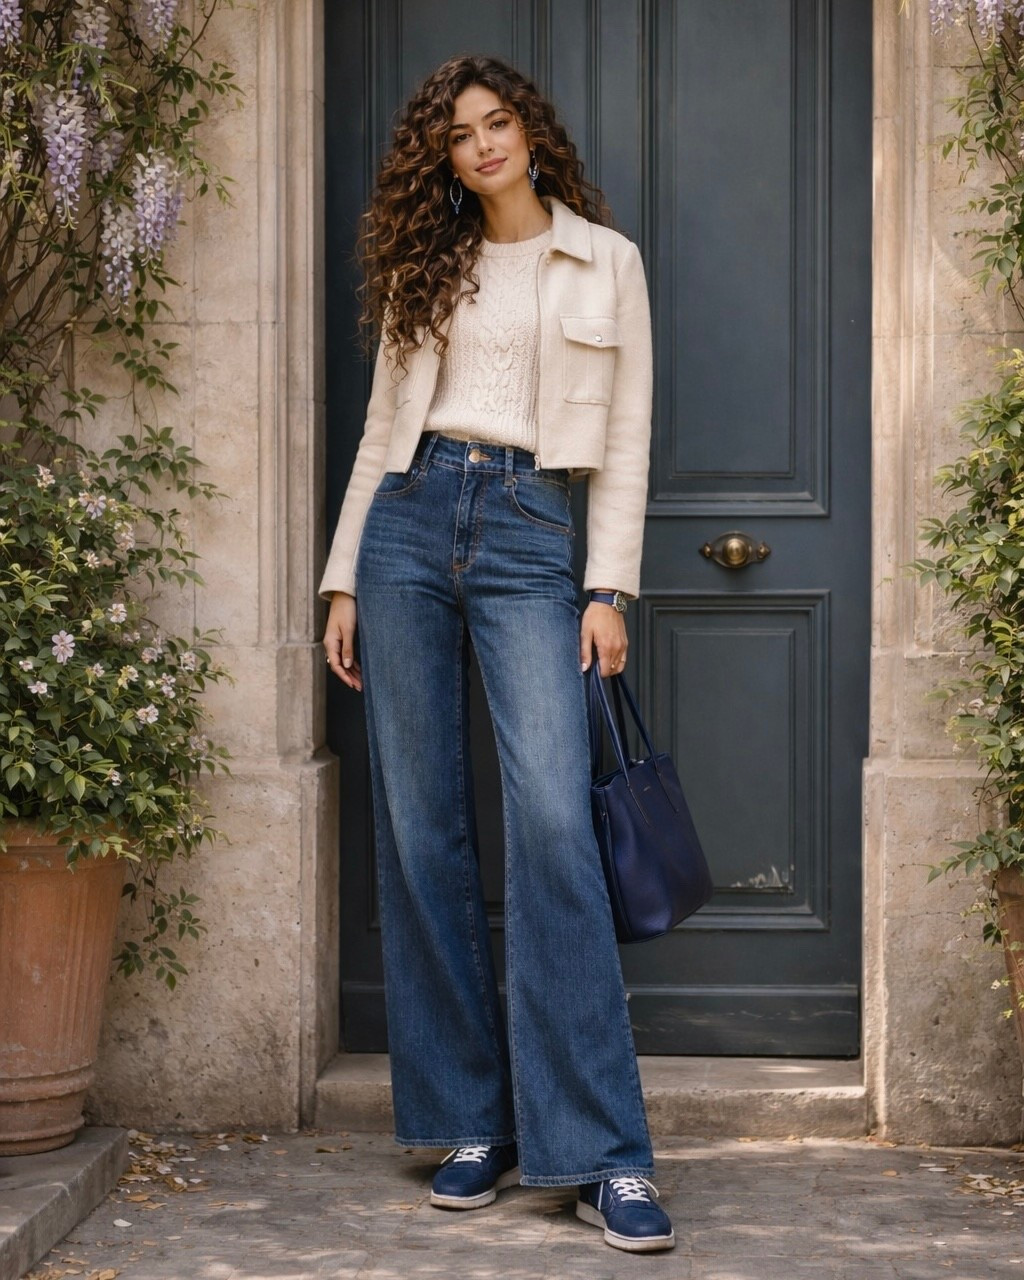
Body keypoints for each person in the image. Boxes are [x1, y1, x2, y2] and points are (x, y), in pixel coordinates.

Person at [319, 53, 672, 1255]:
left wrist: (607, 583)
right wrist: (340, 574)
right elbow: (381, 426)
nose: (480, 145)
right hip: (408, 524)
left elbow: (625, 439)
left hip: (530, 528)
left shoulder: (604, 261)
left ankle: (602, 1149)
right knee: (422, 824)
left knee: (554, 830)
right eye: (458, 134)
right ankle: (470, 1117)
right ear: (444, 156)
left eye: (497, 122)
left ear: (531, 133)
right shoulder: (434, 260)